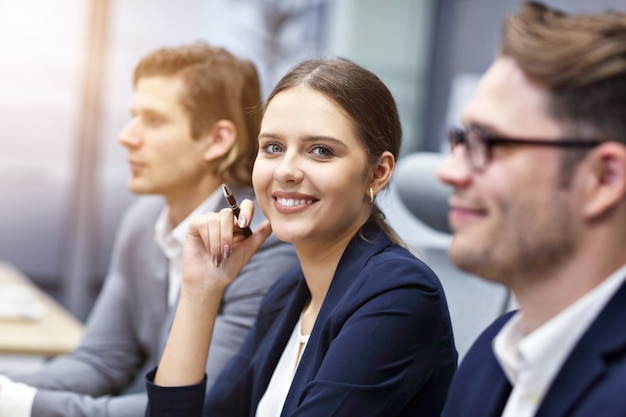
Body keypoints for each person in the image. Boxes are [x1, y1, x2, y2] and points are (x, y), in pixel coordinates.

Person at [145, 57, 458, 416]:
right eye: (273, 147)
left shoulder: (400, 295)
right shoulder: (288, 294)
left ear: (378, 172)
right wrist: (201, 290)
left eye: (321, 151)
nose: (286, 171)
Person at [0, 42, 298, 417]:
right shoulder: (143, 221)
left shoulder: (260, 239)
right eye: (133, 116)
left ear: (217, 140)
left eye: (153, 120)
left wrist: (21, 404)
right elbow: (100, 362)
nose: (127, 136)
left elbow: (200, 406)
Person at [438, 2, 626, 416]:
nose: (448, 172)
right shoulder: (491, 356)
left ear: (604, 178)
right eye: (461, 140)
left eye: (489, 143)